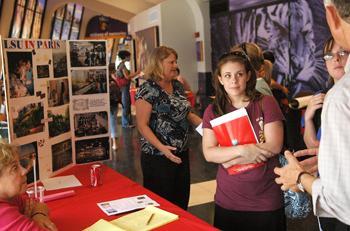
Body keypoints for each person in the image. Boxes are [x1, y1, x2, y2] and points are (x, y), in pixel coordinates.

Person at [274, 0, 350, 228]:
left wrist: (298, 177)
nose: (336, 60)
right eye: (329, 56)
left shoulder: (340, 98)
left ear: (332, 16)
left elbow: (343, 203)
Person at [202, 49, 285, 231]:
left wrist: (227, 157)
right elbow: (209, 152)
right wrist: (243, 151)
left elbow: (274, 145)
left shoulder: (266, 103)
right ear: (220, 79)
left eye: (239, 74)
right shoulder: (213, 110)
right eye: (228, 75)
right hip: (229, 200)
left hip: (266, 199)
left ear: (248, 75)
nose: (234, 80)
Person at [135, 46, 201, 210]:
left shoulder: (177, 86)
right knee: (162, 207)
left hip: (180, 154)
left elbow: (187, 113)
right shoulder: (147, 90)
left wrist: (209, 129)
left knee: (180, 203)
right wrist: (162, 148)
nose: (175, 65)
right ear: (158, 63)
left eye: (176, 61)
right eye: (171, 62)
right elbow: (142, 125)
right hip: (158, 157)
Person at [0, 142, 57, 231]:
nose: (24, 171)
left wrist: (38, 215)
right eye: (14, 168)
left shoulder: (12, 198)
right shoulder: (3, 213)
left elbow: (40, 205)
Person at [303, 37, 348, 148]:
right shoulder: (320, 97)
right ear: (325, 64)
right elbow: (312, 147)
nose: (336, 59)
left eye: (342, 52)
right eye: (329, 55)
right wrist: (308, 118)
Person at [116, 50, 140, 128]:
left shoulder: (120, 65)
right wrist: (137, 73)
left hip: (124, 87)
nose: (130, 57)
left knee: (126, 104)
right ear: (126, 57)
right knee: (126, 104)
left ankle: (127, 123)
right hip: (124, 88)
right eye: (129, 56)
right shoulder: (122, 66)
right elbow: (127, 76)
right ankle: (126, 123)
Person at [109, 65, 121, 150]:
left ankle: (114, 142)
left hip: (110, 104)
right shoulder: (113, 82)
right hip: (113, 104)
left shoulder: (108, 82)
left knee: (111, 122)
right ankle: (114, 142)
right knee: (113, 121)